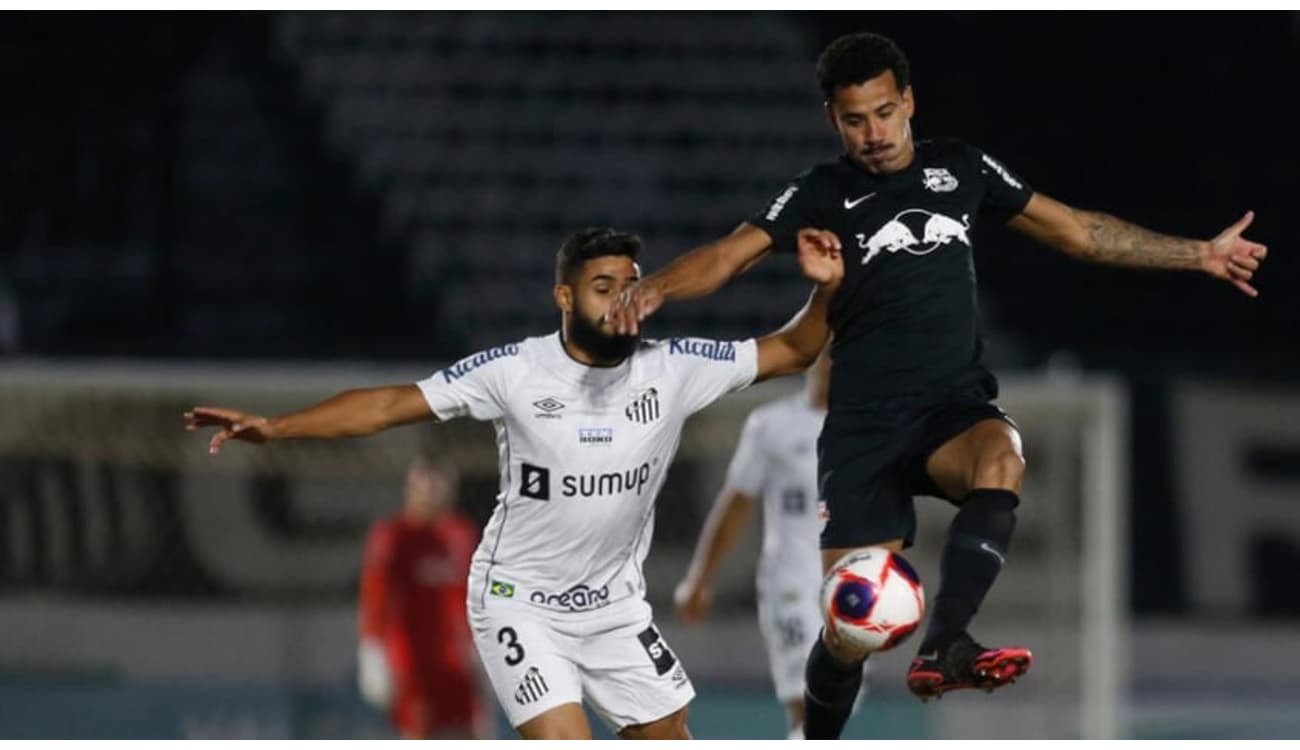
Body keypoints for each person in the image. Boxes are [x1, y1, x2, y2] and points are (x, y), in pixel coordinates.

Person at [605, 31, 1269, 739]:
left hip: (949, 407)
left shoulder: (961, 168)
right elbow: (730, 256)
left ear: (909, 101)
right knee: (848, 631)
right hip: (863, 428)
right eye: (856, 119)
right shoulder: (822, 192)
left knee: (1001, 454)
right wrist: (656, 290)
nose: (874, 133)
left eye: (885, 112)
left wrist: (1198, 252)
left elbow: (1077, 231)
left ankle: (946, 643)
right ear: (834, 119)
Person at [186, 226, 843, 740]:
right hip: (518, 601)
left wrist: (825, 288)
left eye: (632, 284)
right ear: (564, 297)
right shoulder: (515, 372)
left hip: (613, 605)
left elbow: (792, 350)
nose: (622, 299)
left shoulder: (672, 369)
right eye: (603, 285)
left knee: (671, 735)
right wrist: (277, 428)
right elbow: (390, 406)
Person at [674, 349, 865, 739]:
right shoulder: (772, 425)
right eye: (830, 354)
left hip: (852, 590)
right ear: (813, 357)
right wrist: (700, 578)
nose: (836, 364)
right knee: (809, 709)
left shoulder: (870, 429)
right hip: (791, 585)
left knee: (837, 714)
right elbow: (737, 502)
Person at [357, 456, 487, 739]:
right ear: (410, 490)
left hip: (456, 656)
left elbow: (473, 594)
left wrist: (482, 644)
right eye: (424, 487)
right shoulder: (393, 535)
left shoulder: (460, 533)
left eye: (438, 488)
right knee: (419, 731)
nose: (431, 495)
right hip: (410, 657)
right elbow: (375, 596)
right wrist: (372, 649)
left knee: (473, 729)